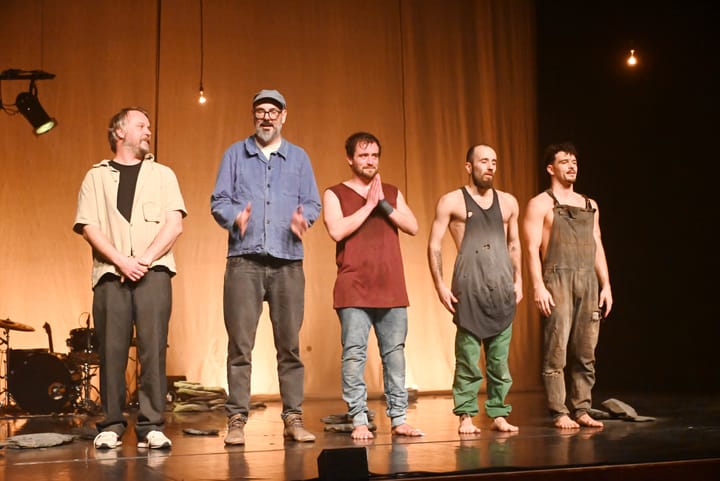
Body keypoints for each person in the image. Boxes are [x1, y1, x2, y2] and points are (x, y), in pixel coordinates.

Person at [211, 89, 320, 445]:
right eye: (260, 111)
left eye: (273, 111)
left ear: (284, 116)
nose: (267, 117)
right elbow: (219, 201)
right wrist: (234, 217)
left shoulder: (299, 158)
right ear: (253, 116)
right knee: (240, 346)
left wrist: (305, 218)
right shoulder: (235, 154)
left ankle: (293, 418)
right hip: (244, 262)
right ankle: (237, 420)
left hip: (288, 262)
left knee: (289, 346)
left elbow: (312, 202)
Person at [73, 107, 186, 450]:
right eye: (141, 125)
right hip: (111, 274)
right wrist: (122, 261)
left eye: (149, 126)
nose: (148, 131)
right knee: (112, 350)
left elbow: (174, 224)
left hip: (153, 273)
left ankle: (152, 424)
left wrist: (145, 260)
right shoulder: (96, 176)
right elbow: (88, 226)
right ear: (119, 132)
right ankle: (111, 423)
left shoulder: (163, 174)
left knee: (153, 348)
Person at [322, 132, 423, 441]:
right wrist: (369, 205)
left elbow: (413, 227)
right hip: (354, 287)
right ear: (350, 159)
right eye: (364, 155)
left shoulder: (391, 192)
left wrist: (384, 204)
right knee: (354, 356)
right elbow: (337, 231)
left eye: (375, 155)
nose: (370, 161)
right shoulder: (334, 193)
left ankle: (399, 419)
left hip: (391, 287)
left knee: (395, 355)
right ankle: (359, 419)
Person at [427, 144, 523, 435]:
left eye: (494, 161)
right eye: (484, 161)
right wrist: (440, 285)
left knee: (498, 360)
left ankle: (498, 413)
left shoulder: (508, 203)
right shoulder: (451, 201)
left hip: (502, 288)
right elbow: (434, 245)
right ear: (469, 166)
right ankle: (466, 415)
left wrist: (519, 280)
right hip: (469, 289)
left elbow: (514, 244)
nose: (490, 166)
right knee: (467, 358)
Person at [523, 141, 613, 429]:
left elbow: (597, 245)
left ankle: (582, 407)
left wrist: (606, 285)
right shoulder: (540, 204)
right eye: (565, 161)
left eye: (574, 161)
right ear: (551, 168)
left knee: (587, 350)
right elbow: (531, 248)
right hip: (557, 278)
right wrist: (538, 286)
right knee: (557, 349)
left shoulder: (590, 204)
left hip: (587, 280)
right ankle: (559, 410)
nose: (572, 166)